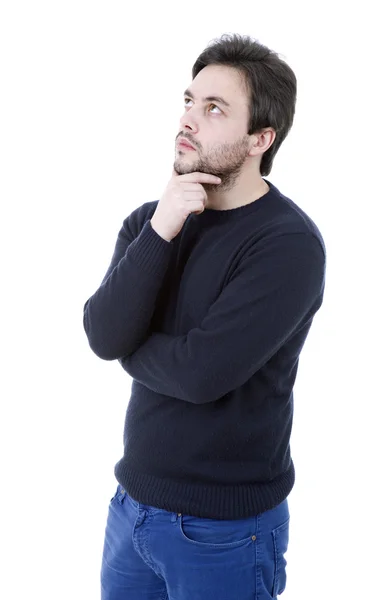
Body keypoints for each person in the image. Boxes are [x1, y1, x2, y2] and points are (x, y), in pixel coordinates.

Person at [83, 33, 326, 600]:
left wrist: (129, 345)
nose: (189, 119)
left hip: (224, 533)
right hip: (131, 511)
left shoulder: (287, 245)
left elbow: (200, 375)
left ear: (260, 139)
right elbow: (101, 334)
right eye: (189, 101)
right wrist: (163, 229)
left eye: (214, 108)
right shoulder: (151, 222)